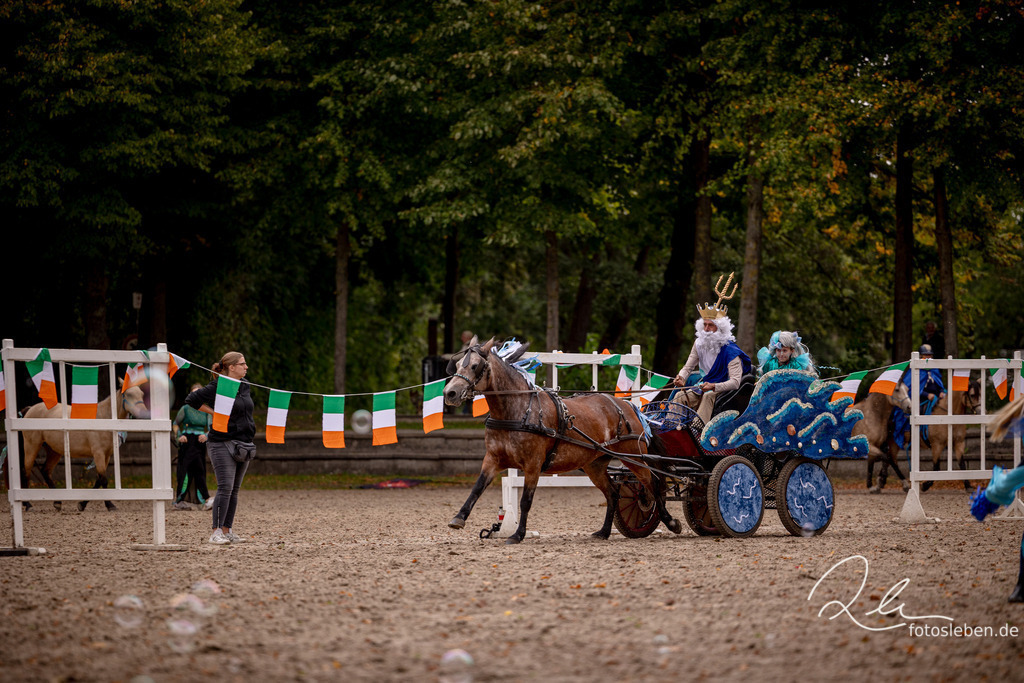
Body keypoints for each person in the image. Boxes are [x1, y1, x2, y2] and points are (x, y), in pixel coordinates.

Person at [185, 352, 255, 545]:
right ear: (231, 367)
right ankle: (215, 532)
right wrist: (213, 412)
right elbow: (192, 399)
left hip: (243, 443)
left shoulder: (245, 385)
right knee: (225, 487)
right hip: (221, 442)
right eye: (243, 364)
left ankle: (227, 529)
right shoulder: (218, 385)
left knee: (234, 490)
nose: (246, 367)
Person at [671, 279, 751, 424]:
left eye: (710, 326)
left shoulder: (731, 351)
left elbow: (735, 383)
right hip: (705, 385)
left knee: (708, 395)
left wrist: (714, 386)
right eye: (704, 325)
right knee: (679, 397)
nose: (706, 329)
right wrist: (681, 377)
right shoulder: (698, 343)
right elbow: (688, 367)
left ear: (720, 328)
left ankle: (698, 430)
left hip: (724, 390)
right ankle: (671, 427)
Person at [892, 344, 947, 451]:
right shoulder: (914, 371)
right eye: (925, 356)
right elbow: (910, 389)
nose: (928, 358)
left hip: (936, 398)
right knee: (910, 411)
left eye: (929, 356)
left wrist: (941, 391)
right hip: (920, 399)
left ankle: (944, 436)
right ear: (921, 356)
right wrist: (927, 395)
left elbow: (939, 384)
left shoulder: (935, 369)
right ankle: (910, 437)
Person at [171, 383, 213, 511]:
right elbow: (175, 424)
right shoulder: (186, 408)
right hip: (187, 442)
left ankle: (203, 499)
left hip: (200, 443)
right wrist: (179, 436)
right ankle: (181, 499)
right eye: (194, 393)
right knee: (185, 470)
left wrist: (206, 435)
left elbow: (212, 428)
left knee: (200, 469)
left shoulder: (206, 410)